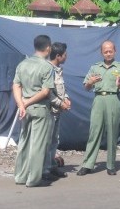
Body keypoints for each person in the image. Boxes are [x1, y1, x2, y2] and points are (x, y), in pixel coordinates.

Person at [77, 40, 120, 176]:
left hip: (113, 99)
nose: (108, 54)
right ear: (101, 52)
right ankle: (88, 164)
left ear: (115, 51)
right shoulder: (95, 67)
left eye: (110, 51)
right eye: (105, 51)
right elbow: (86, 87)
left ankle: (111, 165)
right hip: (99, 98)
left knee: (112, 132)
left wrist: (119, 85)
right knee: (94, 132)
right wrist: (90, 82)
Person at [12, 35, 54, 187]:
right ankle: (34, 179)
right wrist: (28, 102)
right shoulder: (47, 66)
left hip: (25, 110)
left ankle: (20, 176)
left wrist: (22, 105)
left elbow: (16, 86)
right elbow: (45, 92)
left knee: (24, 142)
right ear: (48, 47)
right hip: (40, 108)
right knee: (38, 144)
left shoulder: (23, 64)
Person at [43, 42, 71, 180]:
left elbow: (60, 89)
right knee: (47, 140)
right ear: (58, 56)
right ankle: (44, 170)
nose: (67, 57)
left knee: (54, 140)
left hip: (57, 110)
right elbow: (48, 93)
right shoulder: (48, 70)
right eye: (65, 54)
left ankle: (51, 166)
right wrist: (61, 104)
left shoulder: (58, 69)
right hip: (50, 110)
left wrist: (66, 98)